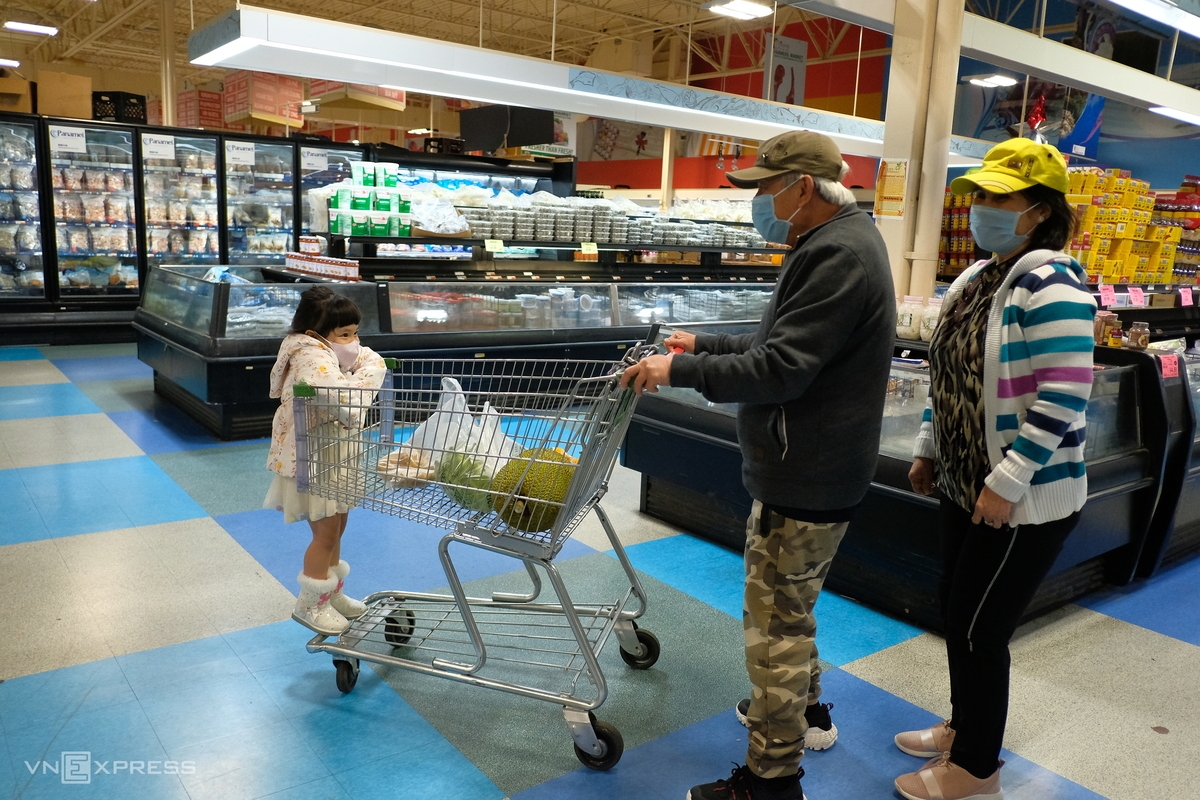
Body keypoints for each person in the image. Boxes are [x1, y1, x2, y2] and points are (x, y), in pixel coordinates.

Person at [621, 130, 896, 800]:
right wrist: (706, 343)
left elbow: (781, 368)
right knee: (792, 607)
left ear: (803, 187)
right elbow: (784, 340)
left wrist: (679, 368)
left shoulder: (838, 255)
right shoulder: (835, 241)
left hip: (807, 471)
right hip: (816, 465)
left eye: (767, 189)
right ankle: (808, 712)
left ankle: (771, 782)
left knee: (774, 626)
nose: (760, 204)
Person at [894, 139, 1096, 800]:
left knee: (982, 626)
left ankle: (976, 769)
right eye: (978, 195)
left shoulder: (1054, 283)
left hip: (1023, 496)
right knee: (958, 613)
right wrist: (929, 447)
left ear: (1038, 211)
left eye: (997, 198)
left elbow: (1065, 394)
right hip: (961, 482)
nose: (981, 208)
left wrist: (1006, 483)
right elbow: (945, 376)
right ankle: (963, 726)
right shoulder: (974, 279)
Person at [264, 286, 388, 636]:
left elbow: (360, 362)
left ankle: (331, 591)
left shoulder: (324, 351)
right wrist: (370, 370)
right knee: (325, 531)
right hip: (315, 454)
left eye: (355, 332)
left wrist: (360, 364)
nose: (354, 341)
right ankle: (310, 603)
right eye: (344, 334)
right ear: (315, 333)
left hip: (334, 451)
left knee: (339, 523)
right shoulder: (309, 356)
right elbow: (347, 403)